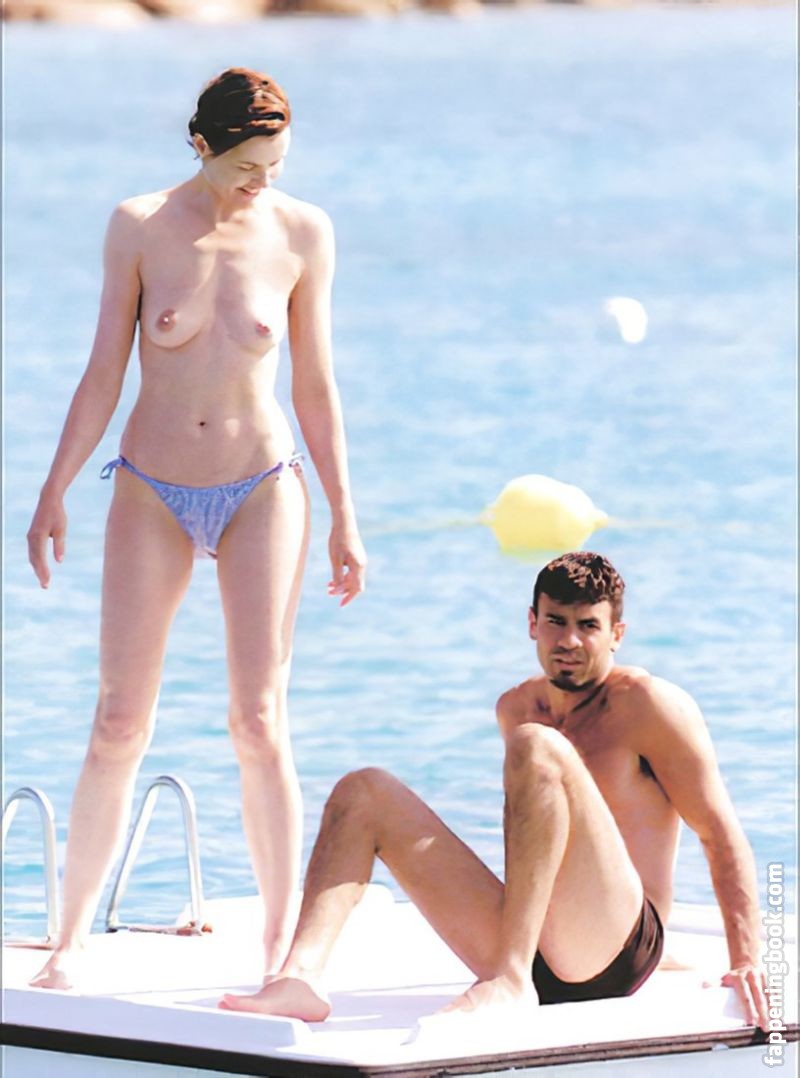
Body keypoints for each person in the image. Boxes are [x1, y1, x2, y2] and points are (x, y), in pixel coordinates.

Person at [27, 67, 366, 990]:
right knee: (117, 718)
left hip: (263, 485)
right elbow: (104, 371)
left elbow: (315, 386)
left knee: (259, 719)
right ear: (202, 144)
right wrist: (54, 488)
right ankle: (69, 942)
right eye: (249, 165)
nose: (263, 181)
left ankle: (281, 949)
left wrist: (344, 514)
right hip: (151, 487)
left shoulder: (303, 232)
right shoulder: (138, 227)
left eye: (276, 165)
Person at [219, 552, 769, 1032]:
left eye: (588, 626)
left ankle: (509, 980)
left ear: (616, 634)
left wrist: (747, 959)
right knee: (361, 791)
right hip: (539, 944)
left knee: (537, 745)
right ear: (532, 623)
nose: (569, 641)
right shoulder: (516, 706)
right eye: (555, 622)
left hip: (620, 949)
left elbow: (720, 834)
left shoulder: (648, 705)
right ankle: (298, 979)